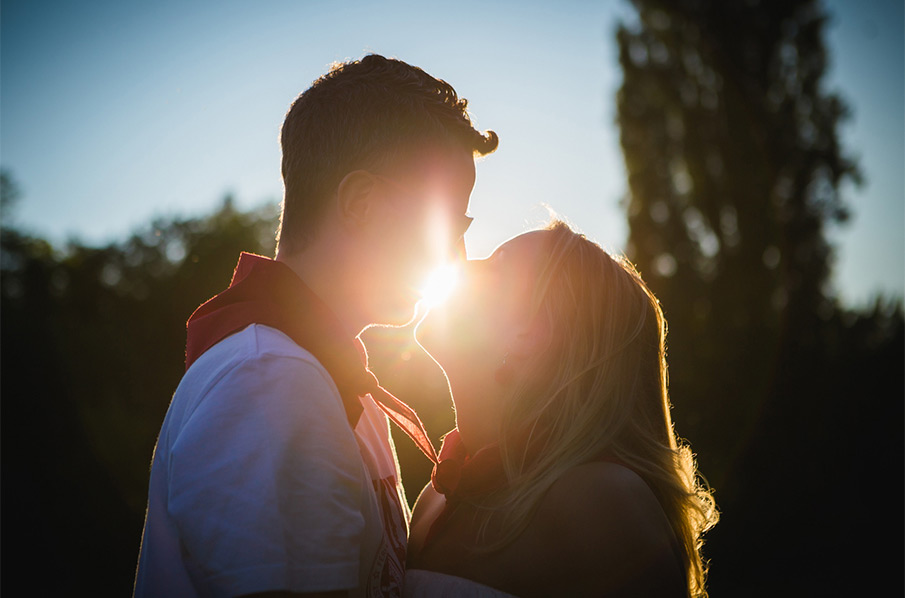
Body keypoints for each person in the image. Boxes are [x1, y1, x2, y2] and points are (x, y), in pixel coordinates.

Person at [133, 54, 497, 598]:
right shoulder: (270, 382)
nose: (459, 254)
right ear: (362, 204)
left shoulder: (329, 381)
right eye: (449, 220)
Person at [405, 221, 719, 598]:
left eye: (495, 266)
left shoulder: (600, 505)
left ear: (531, 334)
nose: (460, 264)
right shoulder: (436, 497)